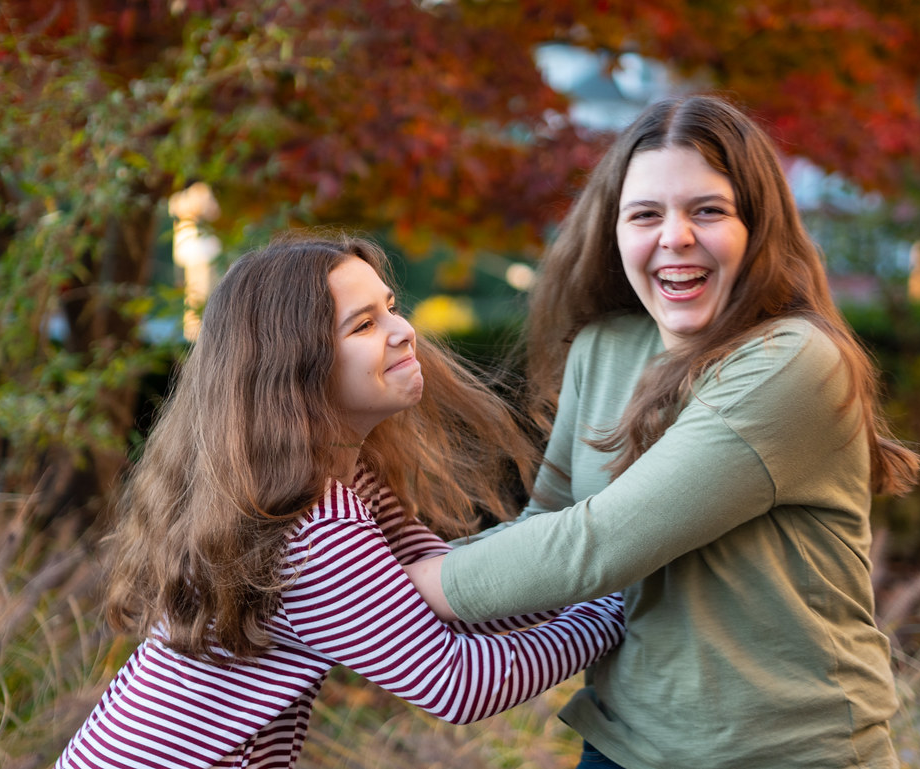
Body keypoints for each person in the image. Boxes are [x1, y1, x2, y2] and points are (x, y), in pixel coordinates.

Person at [404, 95, 920, 768]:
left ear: (757, 227)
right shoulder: (605, 347)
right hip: (624, 744)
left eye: (707, 210)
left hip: (786, 752)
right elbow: (550, 521)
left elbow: (601, 543)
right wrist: (373, 578)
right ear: (615, 233)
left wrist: (388, 588)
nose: (674, 235)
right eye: (646, 213)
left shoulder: (794, 363)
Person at [55, 233, 625, 769]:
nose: (403, 331)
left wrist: (603, 572)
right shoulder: (311, 525)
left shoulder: (341, 483)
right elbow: (457, 683)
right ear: (295, 373)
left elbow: (458, 592)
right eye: (364, 325)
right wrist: (619, 607)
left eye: (391, 307)